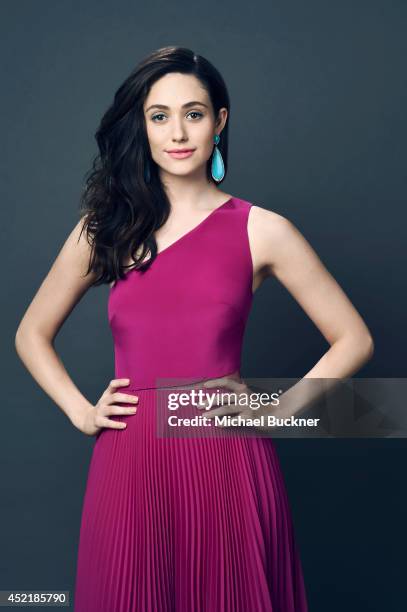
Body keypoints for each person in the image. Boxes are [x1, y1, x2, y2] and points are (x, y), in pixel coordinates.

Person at [15, 46, 374, 611]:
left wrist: (279, 410)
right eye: (159, 116)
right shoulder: (106, 229)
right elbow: (30, 332)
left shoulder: (263, 229)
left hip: (226, 453)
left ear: (219, 121)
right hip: (129, 460)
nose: (177, 132)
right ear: (143, 126)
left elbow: (354, 338)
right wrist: (82, 411)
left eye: (194, 113)